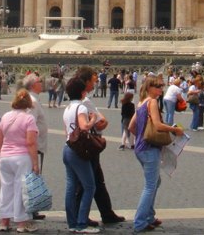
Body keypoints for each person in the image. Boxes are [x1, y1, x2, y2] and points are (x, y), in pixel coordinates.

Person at [128, 74, 184, 234]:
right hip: (149, 149)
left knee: (155, 182)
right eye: (158, 86)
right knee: (150, 185)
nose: (161, 89)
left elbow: (132, 126)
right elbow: (158, 125)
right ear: (150, 88)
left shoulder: (141, 103)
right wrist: (175, 130)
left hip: (140, 148)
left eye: (162, 86)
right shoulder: (152, 102)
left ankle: (149, 216)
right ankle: (140, 222)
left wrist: (142, 134)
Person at [74, 67, 125, 226]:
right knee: (87, 183)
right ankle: (80, 216)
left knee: (94, 180)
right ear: (87, 81)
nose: (95, 81)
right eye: (93, 79)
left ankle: (106, 213)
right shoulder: (86, 102)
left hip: (83, 144)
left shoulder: (78, 100)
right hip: (90, 144)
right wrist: (102, 120)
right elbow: (101, 123)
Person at [0, 88, 39, 233]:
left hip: (5, 157)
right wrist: (35, 163)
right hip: (22, 157)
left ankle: (4, 221)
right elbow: (31, 142)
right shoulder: (29, 118)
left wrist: (4, 151)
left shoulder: (5, 116)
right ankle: (21, 223)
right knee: (21, 189)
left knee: (6, 189)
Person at [62, 77, 100, 234]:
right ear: (83, 92)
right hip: (78, 151)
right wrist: (93, 120)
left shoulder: (68, 107)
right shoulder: (82, 108)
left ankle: (72, 222)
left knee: (71, 186)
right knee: (90, 186)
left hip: (67, 148)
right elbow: (84, 126)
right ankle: (82, 223)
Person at [22, 73, 48, 220]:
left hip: (36, 144)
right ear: (33, 85)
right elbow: (29, 124)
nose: (42, 83)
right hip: (34, 145)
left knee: (32, 177)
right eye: (39, 81)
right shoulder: (32, 101)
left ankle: (31, 208)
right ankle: (30, 208)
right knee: (32, 177)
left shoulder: (33, 99)